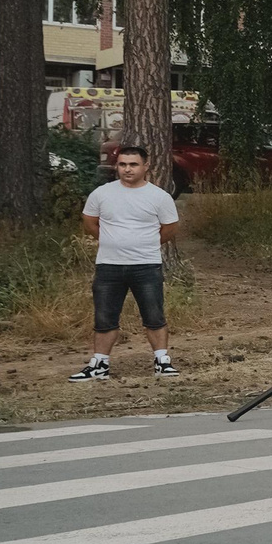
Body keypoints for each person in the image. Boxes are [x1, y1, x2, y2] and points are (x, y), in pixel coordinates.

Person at [72, 141, 180, 381]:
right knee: (104, 317)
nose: (127, 169)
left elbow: (170, 228)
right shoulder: (102, 194)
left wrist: (146, 243)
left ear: (146, 166)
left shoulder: (159, 197)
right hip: (109, 266)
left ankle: (162, 362)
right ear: (116, 166)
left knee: (154, 315)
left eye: (133, 164)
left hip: (146, 265)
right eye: (122, 164)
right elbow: (90, 223)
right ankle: (100, 365)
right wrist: (112, 240)